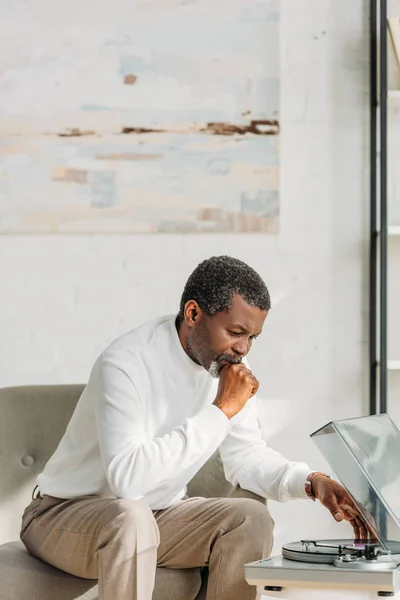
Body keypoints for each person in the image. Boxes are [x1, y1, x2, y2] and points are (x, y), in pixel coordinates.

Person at [20, 255, 369, 600]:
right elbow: (128, 482)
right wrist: (222, 410)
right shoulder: (126, 363)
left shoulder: (227, 363)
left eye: (252, 337)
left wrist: (310, 482)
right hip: (62, 517)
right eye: (235, 332)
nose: (243, 349)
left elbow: (245, 458)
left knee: (250, 518)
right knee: (132, 518)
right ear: (192, 314)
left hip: (156, 518)